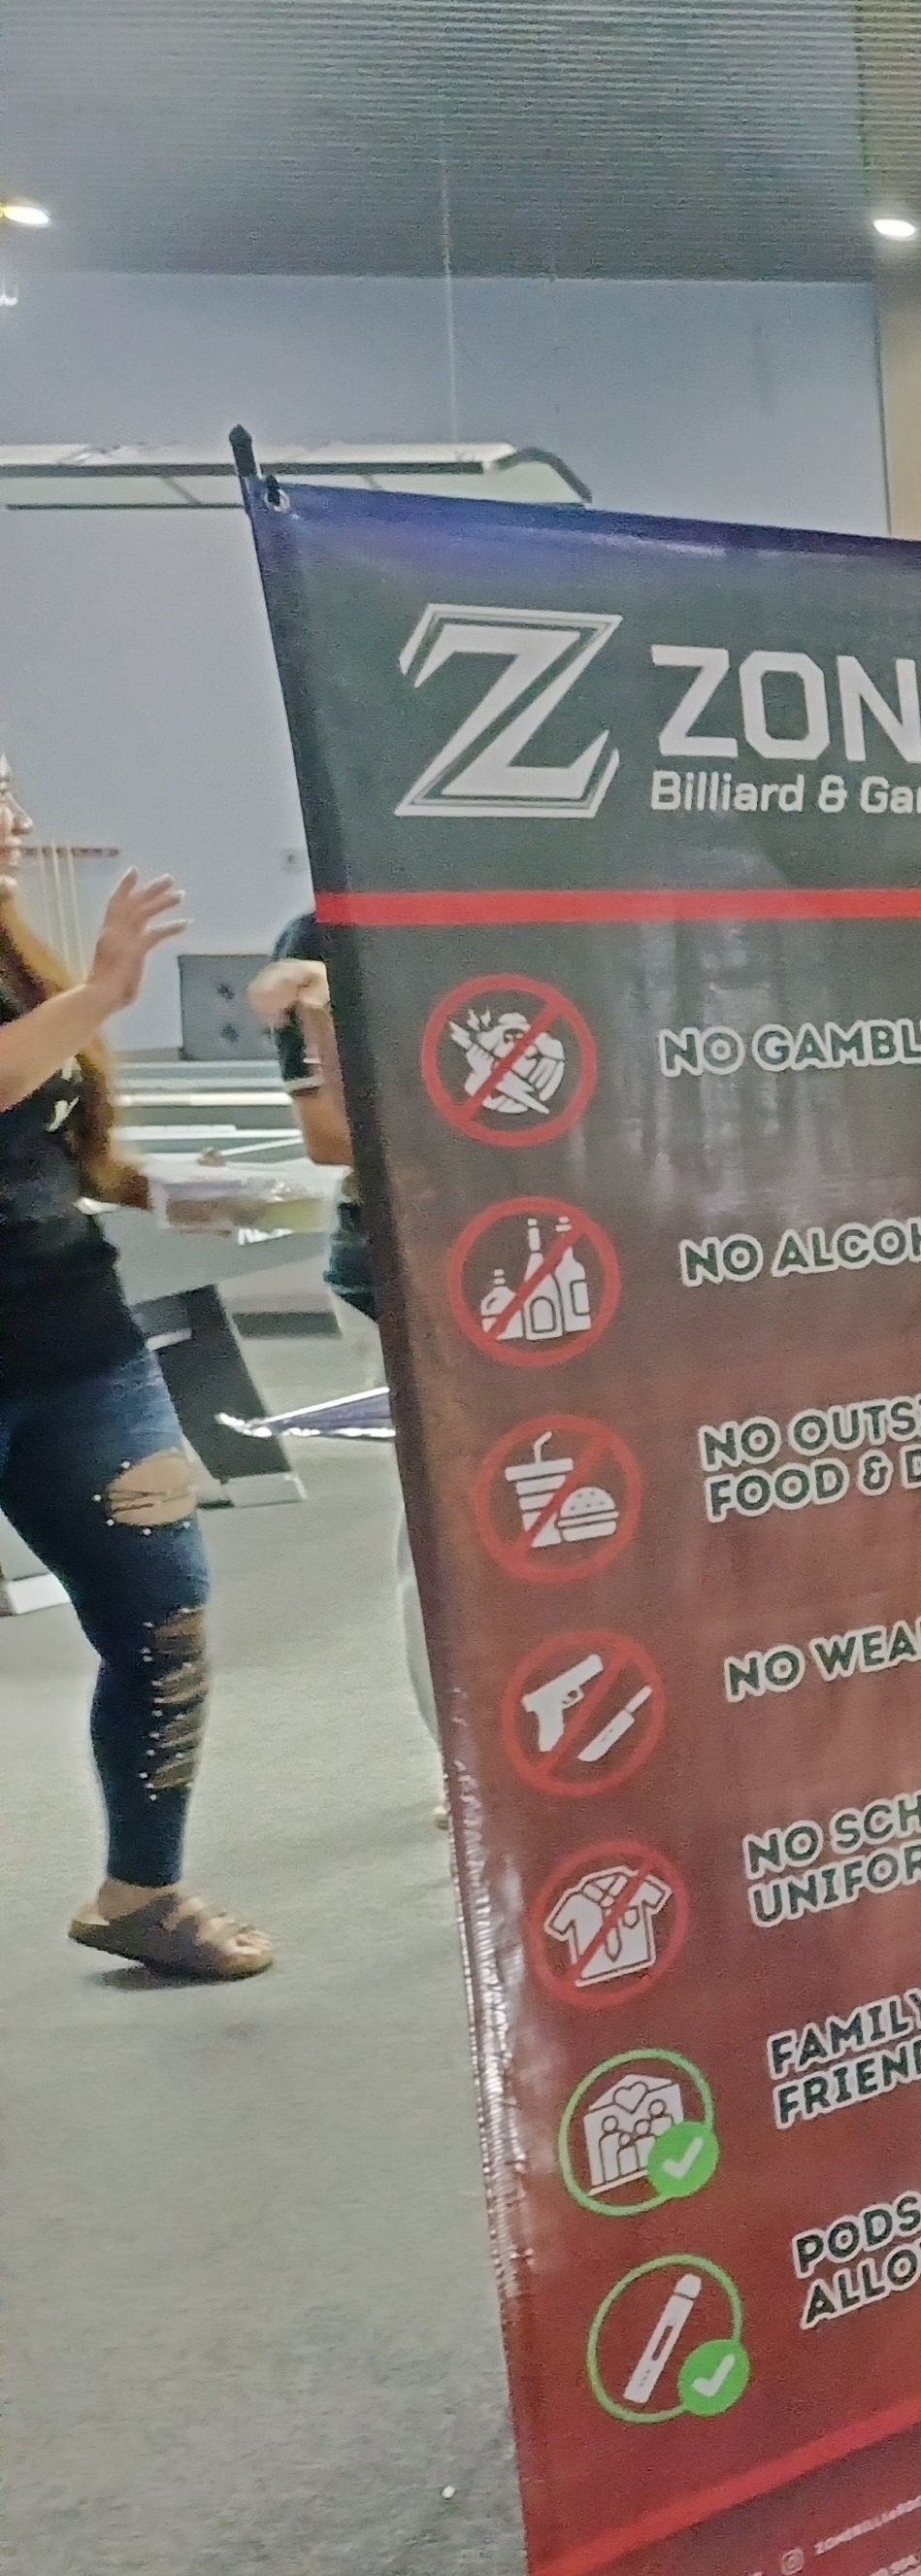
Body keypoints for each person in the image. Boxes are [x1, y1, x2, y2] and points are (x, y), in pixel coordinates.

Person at [0, 757, 268, 1979]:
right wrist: (106, 989)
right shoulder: (62, 991)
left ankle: (140, 1892)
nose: (16, 819)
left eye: (13, 789)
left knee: (165, 1622)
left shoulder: (17, 961)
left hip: (77, 1353)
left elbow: (58, 1147)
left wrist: (192, 1192)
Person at [247, 928, 434, 1735]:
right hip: (396, 1271)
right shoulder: (318, 939)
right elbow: (330, 1137)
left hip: (553, 1249)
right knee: (441, 1521)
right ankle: (461, 1757)